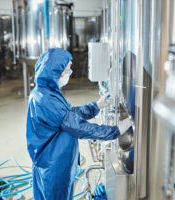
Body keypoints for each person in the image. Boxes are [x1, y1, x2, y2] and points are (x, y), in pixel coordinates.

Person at [26, 48, 132, 200]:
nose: (70, 73)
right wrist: (115, 130)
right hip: (54, 165)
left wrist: (96, 106)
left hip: (51, 161)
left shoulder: (46, 91)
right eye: (67, 70)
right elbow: (78, 126)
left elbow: (68, 114)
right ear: (56, 72)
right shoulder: (46, 99)